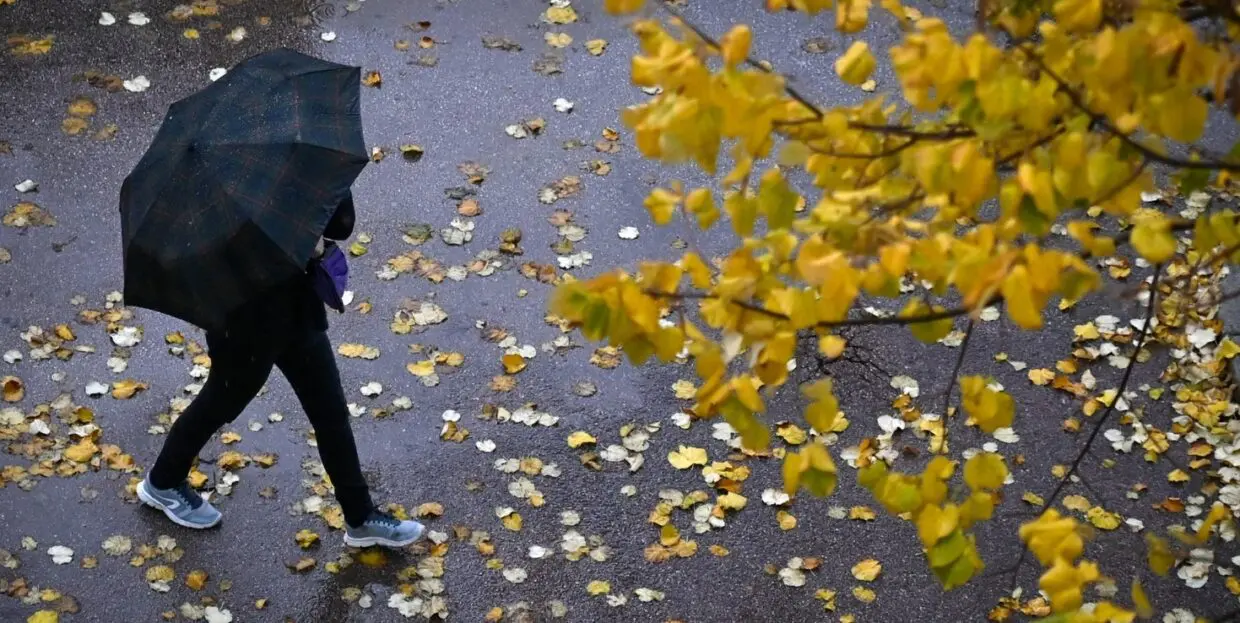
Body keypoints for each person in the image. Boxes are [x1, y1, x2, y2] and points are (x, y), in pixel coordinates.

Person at [136, 193, 424, 548]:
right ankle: (163, 481)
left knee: (330, 412)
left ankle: (360, 516)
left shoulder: (291, 163)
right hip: (242, 321)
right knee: (220, 403)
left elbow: (340, 223)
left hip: (297, 309)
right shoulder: (222, 186)